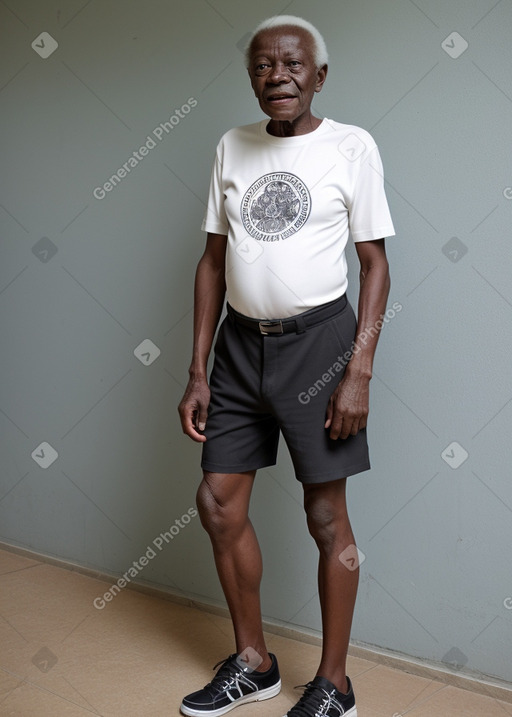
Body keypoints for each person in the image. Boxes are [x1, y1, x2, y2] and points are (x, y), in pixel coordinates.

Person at [178, 14, 395, 717]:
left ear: (319, 75)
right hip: (239, 350)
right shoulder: (231, 147)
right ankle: (254, 661)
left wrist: (358, 369)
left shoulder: (352, 147)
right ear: (252, 77)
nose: (279, 75)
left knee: (327, 517)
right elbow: (212, 260)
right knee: (217, 503)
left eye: (294, 64)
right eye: (265, 65)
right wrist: (198, 369)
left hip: (321, 347)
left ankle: (334, 683)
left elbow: (375, 266)